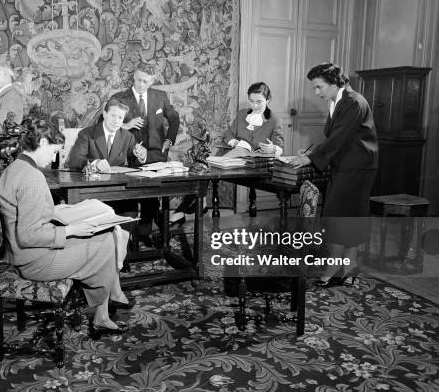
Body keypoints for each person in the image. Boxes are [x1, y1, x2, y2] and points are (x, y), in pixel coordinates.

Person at [0, 121, 133, 336]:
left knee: (112, 233)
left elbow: (28, 213)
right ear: (41, 142)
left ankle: (107, 304)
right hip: (36, 261)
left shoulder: (16, 167)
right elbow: (28, 235)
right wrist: (72, 229)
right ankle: (103, 312)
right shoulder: (31, 176)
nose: (53, 158)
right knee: (107, 239)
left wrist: (59, 210)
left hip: (22, 254)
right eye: (53, 151)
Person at [286, 63, 378, 287]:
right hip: (346, 164)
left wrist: (309, 158)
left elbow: (338, 137)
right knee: (349, 216)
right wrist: (312, 152)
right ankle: (350, 266)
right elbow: (336, 138)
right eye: (314, 88)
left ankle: (335, 267)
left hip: (357, 167)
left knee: (338, 215)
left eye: (319, 87)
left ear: (335, 82)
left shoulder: (353, 102)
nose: (316, 93)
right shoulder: (337, 101)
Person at [169, 82, 284, 225]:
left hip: (255, 162)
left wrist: (272, 149)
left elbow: (279, 147)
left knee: (208, 167)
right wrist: (236, 143)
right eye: (251, 101)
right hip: (235, 155)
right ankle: (194, 204)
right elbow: (228, 134)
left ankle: (188, 207)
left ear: (268, 100)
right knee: (203, 166)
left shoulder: (274, 119)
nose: (254, 106)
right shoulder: (243, 114)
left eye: (259, 102)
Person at [105, 62, 180, 244]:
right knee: (131, 199)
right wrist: (125, 125)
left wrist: (168, 142)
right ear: (134, 77)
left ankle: (144, 232)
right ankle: (128, 239)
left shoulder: (160, 96)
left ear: (152, 80)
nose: (141, 85)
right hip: (128, 156)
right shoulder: (120, 98)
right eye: (138, 80)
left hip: (155, 155)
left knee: (152, 196)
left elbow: (174, 119)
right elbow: (105, 123)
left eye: (145, 82)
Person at [69, 99, 147, 171]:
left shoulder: (128, 137)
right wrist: (95, 164)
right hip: (93, 183)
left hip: (118, 183)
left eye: (120, 117)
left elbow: (134, 163)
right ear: (104, 114)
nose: (116, 121)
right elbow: (75, 160)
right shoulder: (86, 134)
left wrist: (141, 156)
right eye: (113, 116)